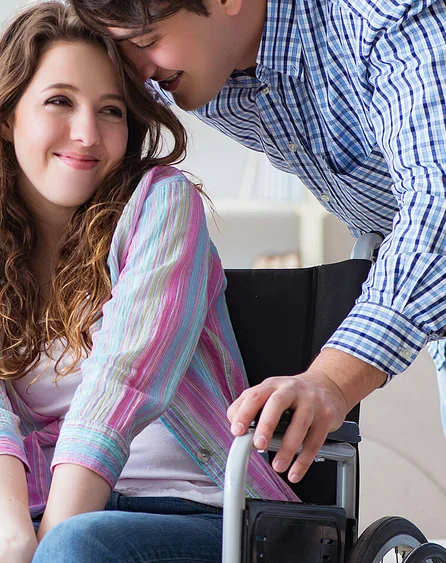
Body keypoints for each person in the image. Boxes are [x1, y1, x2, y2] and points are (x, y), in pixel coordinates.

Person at [0, 3, 299, 563]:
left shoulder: (162, 204)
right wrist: (16, 541)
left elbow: (123, 381)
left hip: (202, 517)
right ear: (6, 114)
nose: (87, 134)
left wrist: (48, 544)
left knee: (75, 549)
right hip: (51, 516)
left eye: (111, 110)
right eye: (59, 101)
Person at [70, 0, 446, 483]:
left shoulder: (385, 18)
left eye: (146, 42)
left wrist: (330, 379)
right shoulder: (194, 62)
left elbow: (437, 209)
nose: (136, 72)